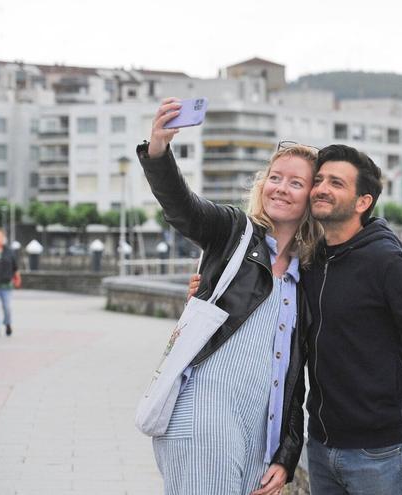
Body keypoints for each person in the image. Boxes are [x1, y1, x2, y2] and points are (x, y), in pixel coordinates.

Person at [187, 144, 402, 494]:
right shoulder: (311, 259)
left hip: (379, 452)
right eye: (318, 180)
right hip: (320, 448)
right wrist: (207, 287)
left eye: (336, 183)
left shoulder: (388, 262)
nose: (320, 189)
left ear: (362, 202)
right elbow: (269, 310)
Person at [138, 97, 321, 495]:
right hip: (203, 417)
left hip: (255, 433)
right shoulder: (234, 232)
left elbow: (294, 377)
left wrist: (287, 455)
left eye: (296, 182)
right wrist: (158, 150)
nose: (281, 188)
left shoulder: (305, 276)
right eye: (275, 177)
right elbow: (183, 208)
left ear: (312, 197)